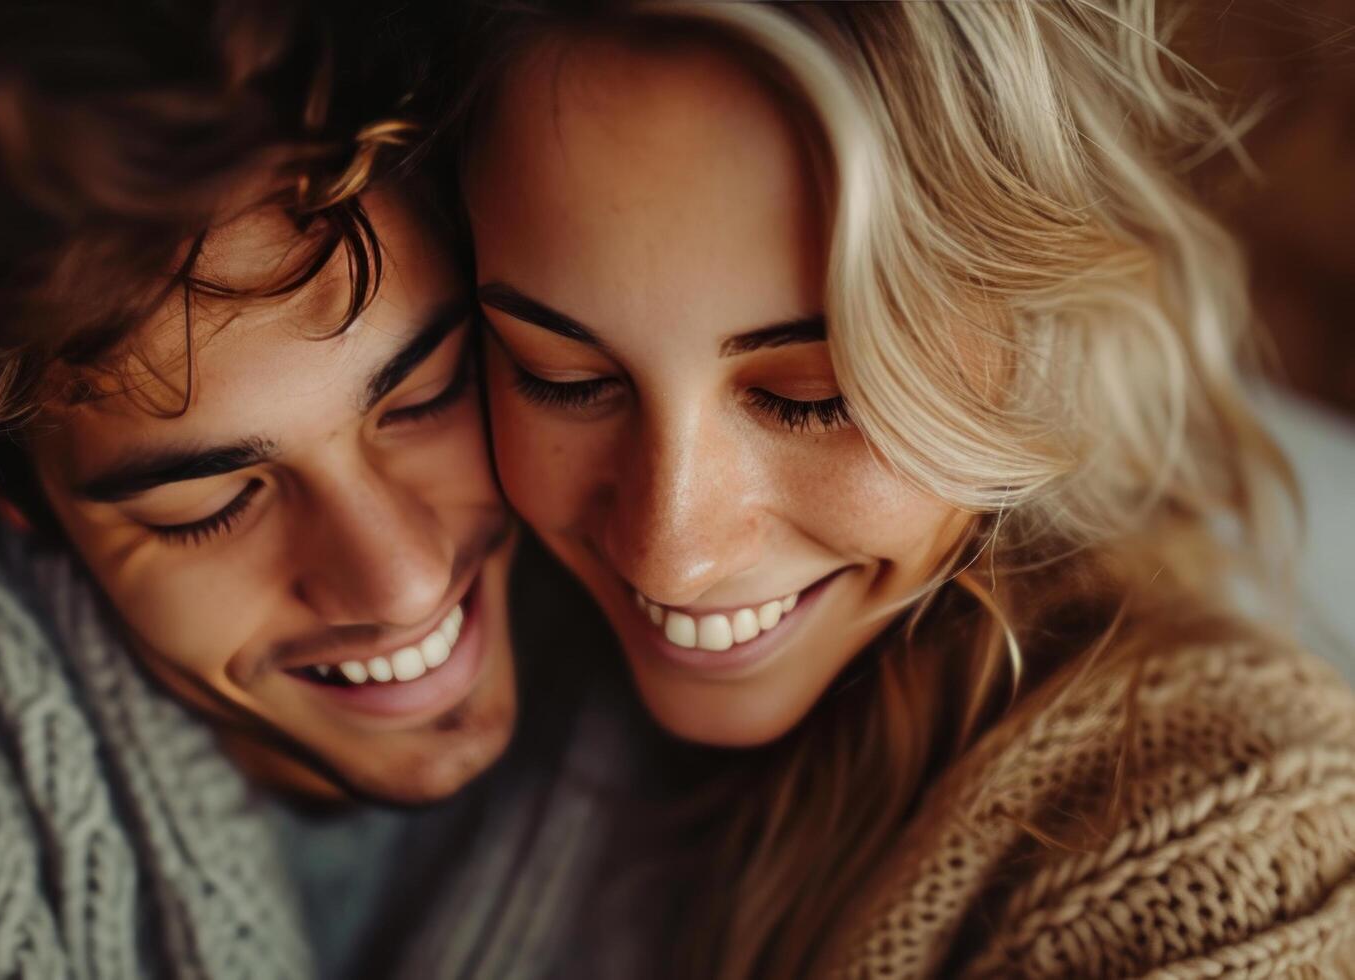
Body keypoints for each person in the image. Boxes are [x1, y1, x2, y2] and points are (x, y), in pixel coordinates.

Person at [0, 1, 605, 976]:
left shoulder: (663, 618)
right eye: (206, 505)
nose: (398, 578)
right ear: (18, 503)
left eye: (426, 398)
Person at [452, 0, 1355, 976]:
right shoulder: (455, 619)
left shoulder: (1217, 815)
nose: (671, 551)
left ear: (1028, 325)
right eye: (563, 378)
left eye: (813, 397)